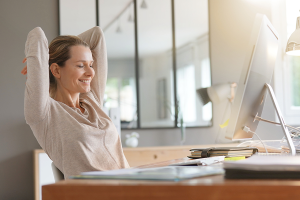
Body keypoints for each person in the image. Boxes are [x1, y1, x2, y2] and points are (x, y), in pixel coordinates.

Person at [21, 27, 130, 179]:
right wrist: (38, 64)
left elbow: (96, 35)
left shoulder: (92, 100)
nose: (91, 72)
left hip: (130, 186)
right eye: (80, 65)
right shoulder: (44, 112)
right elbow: (37, 34)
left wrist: (50, 57)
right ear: (56, 71)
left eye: (91, 64)